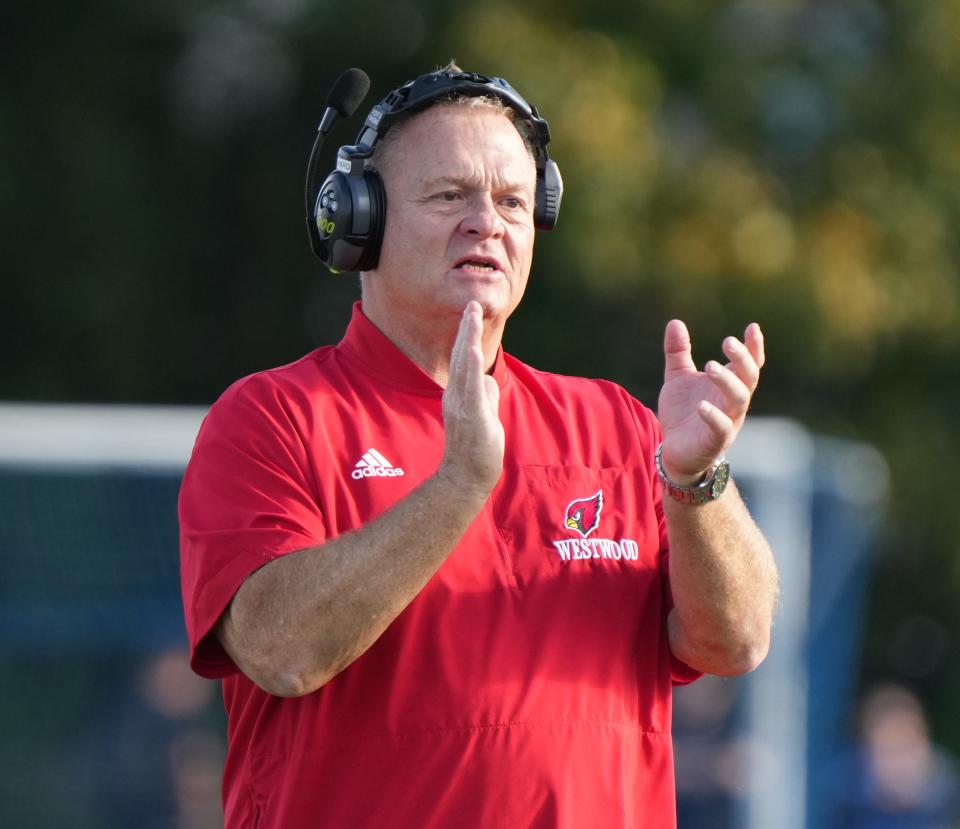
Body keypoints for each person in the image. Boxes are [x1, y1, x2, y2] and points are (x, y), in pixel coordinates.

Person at [178, 64, 779, 829]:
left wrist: (695, 477)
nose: (486, 222)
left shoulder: (618, 424)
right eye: (449, 195)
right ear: (359, 218)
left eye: (512, 201)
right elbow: (282, 650)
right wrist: (458, 484)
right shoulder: (273, 418)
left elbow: (736, 641)